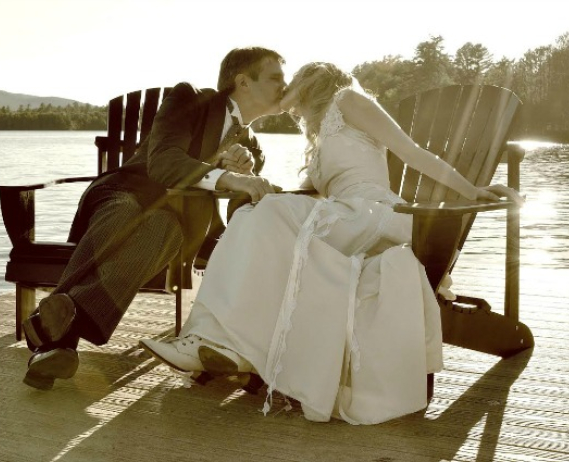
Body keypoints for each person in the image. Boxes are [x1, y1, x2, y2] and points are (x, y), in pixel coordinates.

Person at [139, 62, 524, 424]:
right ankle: (224, 344)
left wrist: (472, 190)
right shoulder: (319, 135)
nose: (284, 92)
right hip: (342, 219)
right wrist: (249, 176)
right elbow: (304, 194)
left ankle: (219, 341)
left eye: (288, 82)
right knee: (255, 215)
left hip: (380, 217)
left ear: (311, 80)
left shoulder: (349, 101)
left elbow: (413, 153)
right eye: (276, 80)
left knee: (264, 214)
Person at [21, 46, 287, 390]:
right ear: (243, 82)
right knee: (129, 212)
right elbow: (163, 161)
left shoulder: (252, 147)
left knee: (163, 227)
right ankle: (57, 334)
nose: (285, 85)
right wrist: (229, 177)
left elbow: (240, 211)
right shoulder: (189, 99)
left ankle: (54, 333)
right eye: (276, 77)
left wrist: (243, 182)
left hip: (176, 226)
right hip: (122, 193)